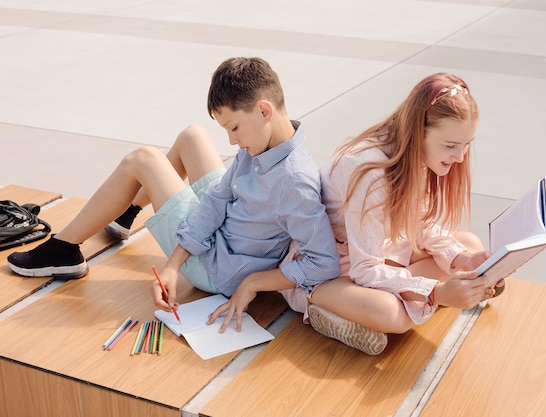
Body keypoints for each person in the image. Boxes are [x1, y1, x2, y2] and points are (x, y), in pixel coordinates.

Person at [8, 57, 340, 331]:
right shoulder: (265, 146)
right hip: (222, 231)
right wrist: (171, 264)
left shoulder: (293, 182)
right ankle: (126, 210)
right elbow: (217, 200)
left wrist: (252, 284)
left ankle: (64, 250)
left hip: (215, 266)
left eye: (234, 128)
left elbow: (323, 263)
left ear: (264, 111)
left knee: (142, 159)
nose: (232, 142)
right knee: (192, 136)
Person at [280, 73, 505, 355]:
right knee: (392, 315)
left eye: (466, 144)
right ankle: (323, 302)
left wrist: (462, 259)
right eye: (450, 146)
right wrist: (435, 291)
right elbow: (364, 268)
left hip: (380, 248)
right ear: (418, 130)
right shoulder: (369, 173)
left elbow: (420, 224)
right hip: (333, 266)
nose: (460, 157)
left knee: (469, 246)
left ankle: (390, 298)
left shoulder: (415, 154)